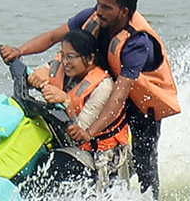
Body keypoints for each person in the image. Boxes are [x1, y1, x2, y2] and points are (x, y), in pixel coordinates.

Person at [0, 0, 179, 197]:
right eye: (98, 4)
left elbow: (119, 97)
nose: (99, 11)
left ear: (124, 12)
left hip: (140, 101)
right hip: (106, 84)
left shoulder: (137, 44)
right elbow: (54, 37)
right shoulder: (92, 17)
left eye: (106, 7)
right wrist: (19, 51)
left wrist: (89, 131)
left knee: (145, 157)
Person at [28, 28, 133, 191]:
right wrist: (39, 73)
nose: (65, 62)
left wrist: (65, 100)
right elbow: (44, 70)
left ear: (90, 58)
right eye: (62, 55)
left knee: (53, 163)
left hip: (100, 155)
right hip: (68, 145)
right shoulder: (63, 66)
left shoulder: (103, 87)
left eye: (71, 57)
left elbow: (79, 133)